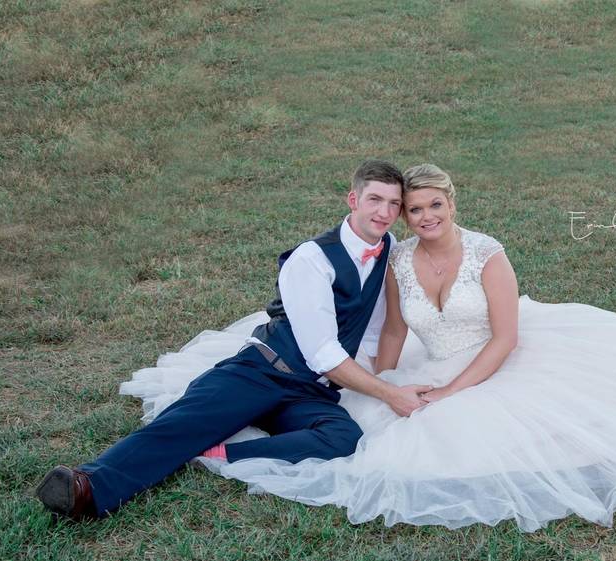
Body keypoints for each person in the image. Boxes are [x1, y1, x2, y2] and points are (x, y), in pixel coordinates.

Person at [120, 164, 616, 532]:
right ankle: (184, 450)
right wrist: (380, 375)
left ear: (452, 206)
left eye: (431, 207)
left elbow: (508, 335)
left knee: (485, 428)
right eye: (410, 209)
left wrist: (456, 392)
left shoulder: (487, 253)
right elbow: (394, 330)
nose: (421, 218)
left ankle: (221, 444)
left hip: (497, 357)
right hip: (420, 362)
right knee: (368, 422)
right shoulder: (394, 259)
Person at [34, 159, 435, 520]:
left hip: (310, 391)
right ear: (353, 199)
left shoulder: (389, 251)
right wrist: (387, 392)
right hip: (263, 370)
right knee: (181, 422)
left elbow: (378, 326)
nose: (384, 212)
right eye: (374, 200)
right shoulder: (311, 260)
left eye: (393, 204)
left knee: (344, 437)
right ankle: (88, 485)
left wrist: (382, 377)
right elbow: (324, 353)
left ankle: (220, 453)